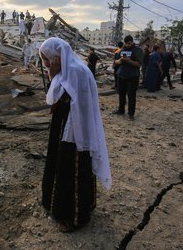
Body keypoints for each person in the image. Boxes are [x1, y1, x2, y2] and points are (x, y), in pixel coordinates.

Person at [39, 37, 112, 233]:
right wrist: (53, 73)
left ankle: (73, 217)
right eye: (44, 60)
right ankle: (54, 205)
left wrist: (54, 74)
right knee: (59, 164)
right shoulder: (63, 69)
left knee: (71, 168)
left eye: (48, 59)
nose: (47, 63)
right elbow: (52, 99)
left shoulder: (78, 72)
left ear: (58, 55)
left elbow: (76, 105)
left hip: (75, 129)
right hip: (62, 126)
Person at [112, 35, 142, 120]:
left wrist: (129, 60)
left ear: (132, 42)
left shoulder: (137, 50)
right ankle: (121, 110)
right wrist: (120, 60)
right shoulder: (122, 50)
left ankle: (131, 113)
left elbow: (139, 64)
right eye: (126, 43)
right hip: (121, 75)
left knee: (131, 95)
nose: (128, 45)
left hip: (132, 76)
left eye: (129, 43)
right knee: (121, 94)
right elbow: (115, 62)